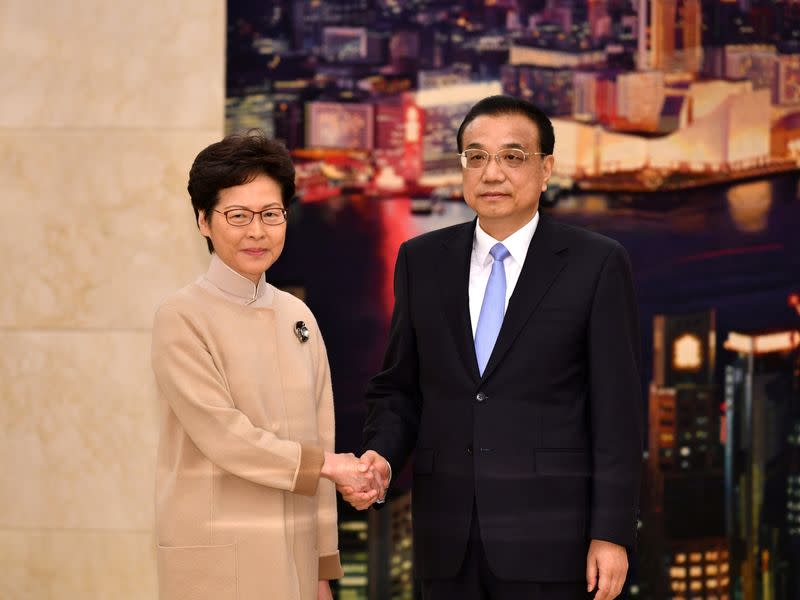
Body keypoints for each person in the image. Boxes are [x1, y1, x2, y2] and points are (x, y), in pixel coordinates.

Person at [340, 96, 643, 600]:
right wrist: (382, 457)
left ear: (546, 168)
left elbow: (618, 412)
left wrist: (611, 532)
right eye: (475, 157)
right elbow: (399, 389)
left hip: (554, 540)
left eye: (512, 156)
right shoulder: (421, 260)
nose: (492, 172)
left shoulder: (597, 264)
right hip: (446, 538)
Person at [151, 131, 381, 600]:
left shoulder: (298, 316)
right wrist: (329, 466)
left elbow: (320, 436)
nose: (257, 231)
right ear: (203, 221)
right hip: (216, 558)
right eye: (237, 216)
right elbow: (225, 436)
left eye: (270, 215)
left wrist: (321, 567)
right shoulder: (181, 316)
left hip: (294, 558)